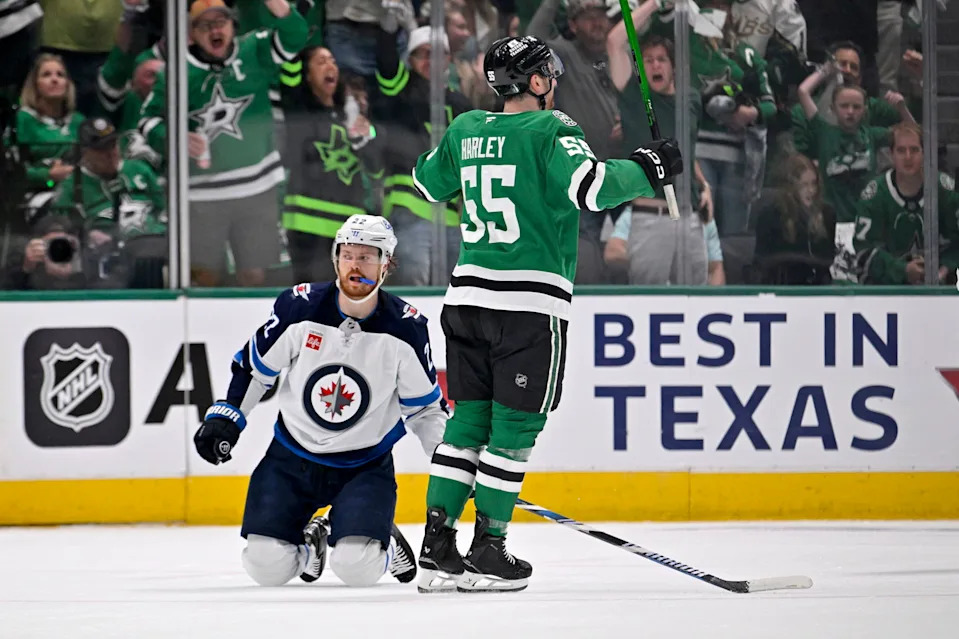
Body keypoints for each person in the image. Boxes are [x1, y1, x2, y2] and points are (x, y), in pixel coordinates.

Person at [409, 35, 682, 593]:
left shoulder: (464, 129)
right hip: (528, 308)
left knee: (465, 425)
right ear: (535, 82)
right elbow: (595, 189)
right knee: (513, 430)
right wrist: (649, 166)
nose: (553, 81)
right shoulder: (554, 130)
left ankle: (437, 544)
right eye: (549, 73)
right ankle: (489, 545)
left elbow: (426, 181)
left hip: (466, 302)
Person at [192, 214, 446, 588]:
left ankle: (384, 542)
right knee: (265, 566)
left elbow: (424, 408)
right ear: (336, 258)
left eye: (368, 257)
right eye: (348, 255)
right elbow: (255, 368)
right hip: (291, 458)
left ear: (387, 264)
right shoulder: (300, 308)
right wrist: (228, 417)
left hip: (364, 465)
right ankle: (312, 545)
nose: (355, 265)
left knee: (357, 569)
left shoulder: (406, 328)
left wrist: (448, 457)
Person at [138, 0, 308, 287]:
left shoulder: (254, 50)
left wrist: (276, 4)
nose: (215, 30)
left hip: (257, 187)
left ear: (233, 25)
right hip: (201, 195)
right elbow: (147, 120)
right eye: (205, 25)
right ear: (191, 33)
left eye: (221, 22)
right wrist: (173, 138)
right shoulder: (176, 72)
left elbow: (296, 35)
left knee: (254, 274)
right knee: (203, 277)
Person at [854, 122, 959, 285]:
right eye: (901, 150)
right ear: (891, 154)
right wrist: (901, 270)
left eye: (914, 150)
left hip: (941, 290)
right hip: (888, 293)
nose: (908, 157)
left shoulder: (946, 190)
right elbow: (864, 251)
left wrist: (944, 270)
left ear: (925, 153)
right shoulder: (875, 195)